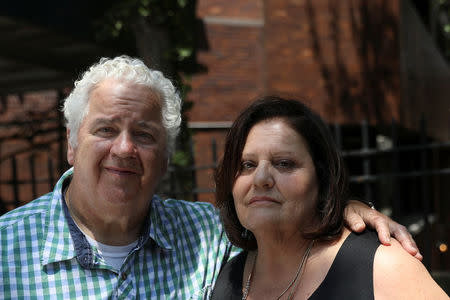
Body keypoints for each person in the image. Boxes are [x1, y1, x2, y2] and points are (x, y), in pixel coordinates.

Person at [0, 56, 421, 299]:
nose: (124, 148)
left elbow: (281, 221)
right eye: (106, 129)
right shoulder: (6, 250)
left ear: (165, 158)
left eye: (144, 135)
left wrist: (349, 208)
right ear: (71, 145)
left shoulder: (205, 235)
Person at [211, 96, 447, 299]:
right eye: (246, 165)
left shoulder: (380, 266)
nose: (260, 178)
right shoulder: (226, 281)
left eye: (284, 163)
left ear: (322, 179)